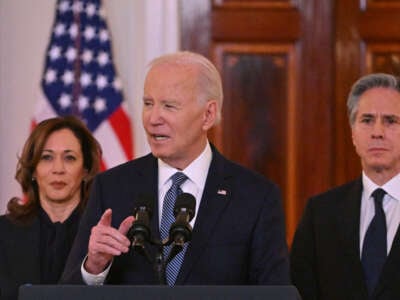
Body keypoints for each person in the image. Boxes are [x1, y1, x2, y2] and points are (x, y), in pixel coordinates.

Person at [61, 51, 290, 286]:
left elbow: (275, 291)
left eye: (169, 106)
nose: (153, 118)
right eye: (148, 103)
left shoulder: (256, 197)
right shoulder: (111, 188)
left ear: (208, 115)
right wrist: (94, 267)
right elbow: (65, 293)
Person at [290, 73, 400, 300]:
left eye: (391, 121)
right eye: (367, 120)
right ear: (353, 133)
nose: (377, 132)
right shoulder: (320, 214)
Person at [0, 116, 101, 300]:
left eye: (69, 158)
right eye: (47, 157)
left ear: (86, 170)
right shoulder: (4, 232)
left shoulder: (103, 234)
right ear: (32, 170)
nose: (58, 169)